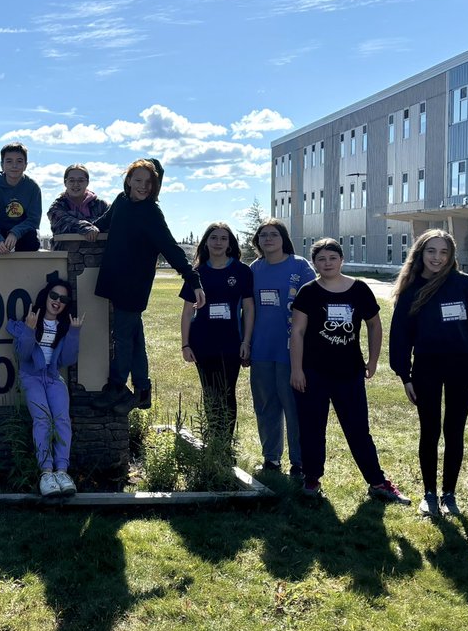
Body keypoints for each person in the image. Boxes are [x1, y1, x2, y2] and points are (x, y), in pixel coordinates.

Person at [290, 239, 410, 504]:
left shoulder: (359, 290)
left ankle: (377, 482)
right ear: (315, 263)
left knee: (358, 429)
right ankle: (311, 478)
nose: (327, 263)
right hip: (312, 373)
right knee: (311, 428)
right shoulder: (308, 292)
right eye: (321, 259)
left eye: (332, 258)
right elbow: (297, 332)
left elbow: (374, 326)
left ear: (341, 260)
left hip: (349, 373)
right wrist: (297, 370)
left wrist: (373, 360)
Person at [91, 158, 205, 415]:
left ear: (155, 186)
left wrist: (192, 277)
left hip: (134, 285)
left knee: (121, 337)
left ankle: (117, 386)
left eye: (149, 182)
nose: (143, 186)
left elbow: (170, 247)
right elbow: (105, 222)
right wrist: (88, 228)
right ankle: (142, 389)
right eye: (138, 180)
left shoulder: (151, 212)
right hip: (114, 278)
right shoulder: (121, 201)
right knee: (133, 335)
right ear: (128, 180)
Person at [390, 229, 468, 518]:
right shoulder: (410, 290)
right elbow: (400, 336)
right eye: (431, 251)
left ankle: (449, 494)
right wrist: (405, 375)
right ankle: (430, 495)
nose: (437, 257)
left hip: (462, 368)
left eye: (443, 252)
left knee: (454, 431)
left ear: (451, 255)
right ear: (421, 253)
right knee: (430, 430)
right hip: (426, 368)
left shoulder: (464, 285)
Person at [248, 219, 314, 476]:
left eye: (273, 234)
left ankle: (299, 462)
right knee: (265, 406)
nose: (268, 239)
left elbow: (313, 305)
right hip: (262, 348)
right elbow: (248, 309)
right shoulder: (254, 268)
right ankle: (271, 458)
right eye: (263, 235)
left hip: (292, 351)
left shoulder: (300, 266)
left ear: (283, 238)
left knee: (294, 407)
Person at [7, 278, 83, 497]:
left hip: (53, 377)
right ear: (46, 296)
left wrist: (75, 333)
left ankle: (62, 471)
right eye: (54, 296)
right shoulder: (31, 320)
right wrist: (29, 330)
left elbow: (67, 359)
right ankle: (46, 472)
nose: (57, 301)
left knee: (61, 419)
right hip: (31, 377)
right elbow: (22, 355)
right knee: (42, 418)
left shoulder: (64, 326)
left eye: (63, 299)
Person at [181, 222, 254, 445]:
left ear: (230, 243)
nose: (218, 242)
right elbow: (186, 313)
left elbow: (249, 309)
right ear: (206, 243)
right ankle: (214, 440)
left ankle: (225, 444)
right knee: (210, 392)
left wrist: (246, 341)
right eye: (214, 238)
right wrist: (185, 345)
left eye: (224, 238)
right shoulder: (197, 273)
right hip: (202, 342)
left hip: (231, 342)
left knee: (227, 391)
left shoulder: (241, 271)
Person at [0, 142, 42, 253]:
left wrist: (15, 232)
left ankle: (24, 270)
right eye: (9, 161)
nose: (14, 166)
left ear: (25, 165)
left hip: (21, 231)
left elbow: (33, 220)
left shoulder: (33, 188)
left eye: (19, 161)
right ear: (2, 165)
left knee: (32, 242)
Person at [47, 163, 108, 242]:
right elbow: (61, 223)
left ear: (87, 183)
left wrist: (74, 219)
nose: (76, 184)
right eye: (71, 180)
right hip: (66, 253)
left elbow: (111, 223)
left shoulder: (101, 205)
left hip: (99, 253)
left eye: (81, 180)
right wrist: (85, 227)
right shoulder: (57, 206)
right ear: (65, 183)